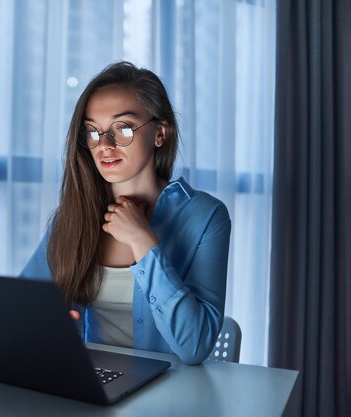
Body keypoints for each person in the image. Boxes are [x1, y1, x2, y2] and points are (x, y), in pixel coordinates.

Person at [20, 61, 231, 365]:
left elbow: (195, 346)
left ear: (160, 133)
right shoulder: (71, 218)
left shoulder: (206, 217)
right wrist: (47, 322)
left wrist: (143, 241)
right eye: (93, 131)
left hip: (169, 396)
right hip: (88, 387)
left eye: (124, 128)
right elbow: (24, 306)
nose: (104, 145)